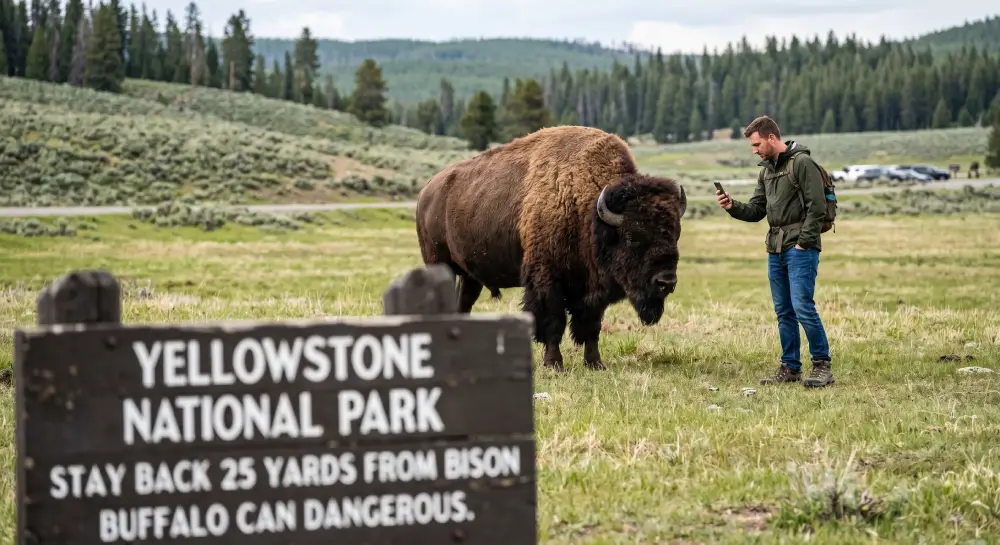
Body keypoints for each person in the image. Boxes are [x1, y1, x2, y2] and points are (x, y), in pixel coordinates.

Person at [716, 115, 833, 388]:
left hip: (800, 249)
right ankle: (790, 367)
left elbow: (817, 208)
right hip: (775, 248)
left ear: (771, 137)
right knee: (783, 311)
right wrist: (732, 205)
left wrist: (804, 242)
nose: (754, 150)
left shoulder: (803, 164)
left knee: (803, 307)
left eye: (757, 144)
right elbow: (757, 211)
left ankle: (822, 366)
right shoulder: (766, 171)